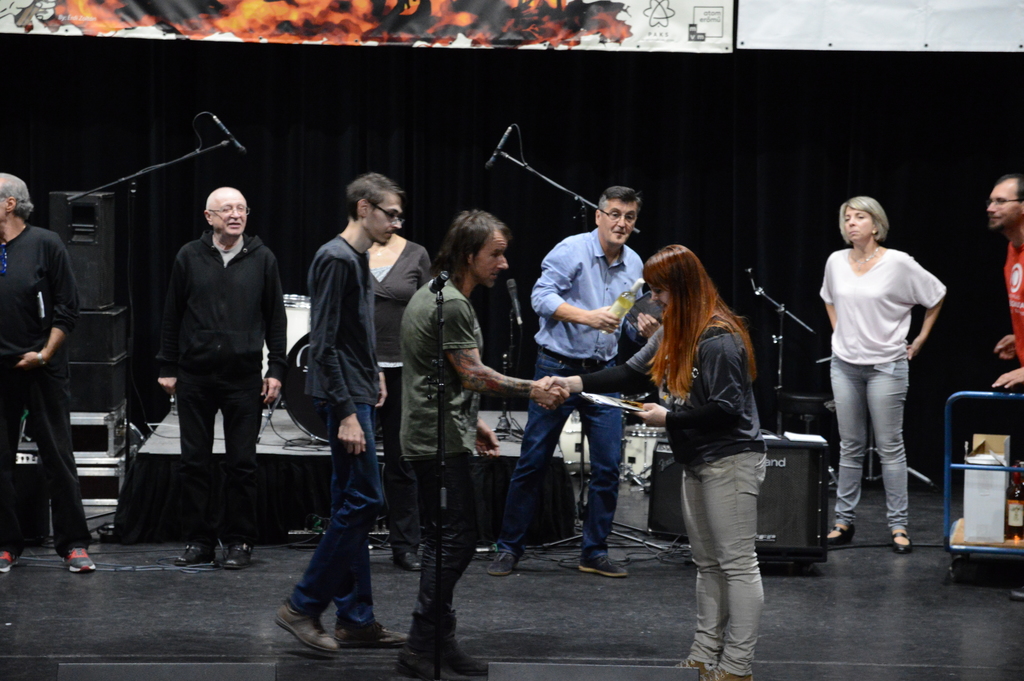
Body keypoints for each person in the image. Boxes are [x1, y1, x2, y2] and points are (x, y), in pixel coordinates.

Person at [549, 244, 765, 681]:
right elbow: (630, 372)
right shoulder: (675, 329)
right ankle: (704, 656)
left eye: (660, 290)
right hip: (699, 460)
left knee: (738, 565)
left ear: (681, 288)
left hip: (730, 460)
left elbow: (727, 410)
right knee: (708, 564)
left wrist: (669, 418)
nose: (653, 299)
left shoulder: (719, 338)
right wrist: (572, 383)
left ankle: (737, 667)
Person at [397, 209, 567, 680]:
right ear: (469, 255)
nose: (504, 264)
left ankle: (437, 643)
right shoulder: (451, 304)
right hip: (435, 442)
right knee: (453, 543)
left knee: (447, 542)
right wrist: (533, 390)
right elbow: (473, 375)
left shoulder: (436, 293)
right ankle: (420, 645)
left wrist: (471, 423)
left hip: (438, 433)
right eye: (496, 254)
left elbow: (441, 374)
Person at [274, 173, 407, 652]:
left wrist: (375, 371)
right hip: (343, 398)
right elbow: (323, 343)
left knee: (352, 502)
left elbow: (356, 331)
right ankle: (302, 605)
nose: (397, 223)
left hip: (358, 388)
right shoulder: (335, 258)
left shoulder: (357, 257)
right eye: (391, 213)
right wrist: (348, 411)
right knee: (365, 499)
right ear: (364, 208)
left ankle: (354, 618)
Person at [487, 186, 645, 579]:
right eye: (614, 214)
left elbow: (624, 322)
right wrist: (587, 317)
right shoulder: (572, 250)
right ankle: (508, 547)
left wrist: (642, 327)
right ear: (598, 216)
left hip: (602, 374)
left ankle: (594, 551)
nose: (621, 223)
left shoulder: (634, 263)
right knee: (534, 460)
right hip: (557, 367)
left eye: (629, 217)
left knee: (607, 467)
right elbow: (540, 298)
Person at [157, 187, 287, 569]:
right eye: (226, 209)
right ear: (209, 216)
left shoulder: (263, 258)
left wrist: (276, 368)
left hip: (242, 379)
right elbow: (172, 314)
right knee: (194, 463)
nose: (235, 214)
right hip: (195, 377)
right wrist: (168, 366)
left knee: (242, 464)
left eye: (241, 208)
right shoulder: (189, 256)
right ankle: (199, 541)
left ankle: (239, 541)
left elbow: (276, 318)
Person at [820, 196, 945, 554]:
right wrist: (839, 331)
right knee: (850, 445)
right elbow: (828, 297)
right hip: (844, 365)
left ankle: (898, 525)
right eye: (847, 217)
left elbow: (936, 294)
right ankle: (843, 521)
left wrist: (920, 339)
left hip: (886, 366)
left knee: (890, 447)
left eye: (859, 217)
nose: (851, 223)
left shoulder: (898, 262)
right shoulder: (835, 261)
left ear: (876, 224)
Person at [0, 173, 95, 574]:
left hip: (41, 369)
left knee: (57, 456)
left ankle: (73, 544)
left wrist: (43, 354)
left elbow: (67, 309)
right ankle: (5, 544)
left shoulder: (45, 243)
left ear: (9, 203)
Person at [370, 229, 431, 572]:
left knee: (402, 460)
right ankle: (347, 541)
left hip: (403, 369)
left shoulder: (415, 253)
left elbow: (427, 310)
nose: (393, 219)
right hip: (359, 368)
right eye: (388, 211)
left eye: (397, 213)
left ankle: (405, 545)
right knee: (354, 463)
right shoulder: (347, 252)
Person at [985, 174, 1024, 602]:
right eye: (990, 200)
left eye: (1001, 201)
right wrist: (1019, 339)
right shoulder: (1013, 251)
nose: (991, 207)